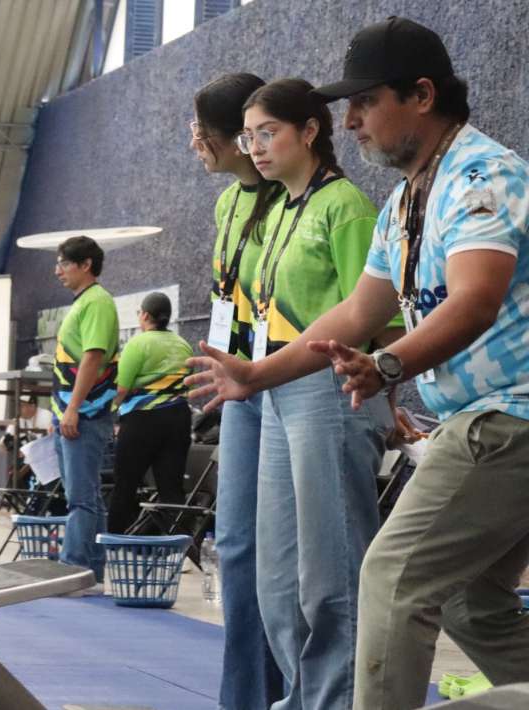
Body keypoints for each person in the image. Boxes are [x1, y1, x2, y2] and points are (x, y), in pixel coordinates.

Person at [304, 17, 528, 709]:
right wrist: (254, 374)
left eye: (365, 102)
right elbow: (353, 316)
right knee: (467, 598)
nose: (350, 123)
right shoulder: (404, 202)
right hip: (479, 419)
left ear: (422, 95)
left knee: (392, 576)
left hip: (509, 417)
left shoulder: (484, 176)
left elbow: (476, 301)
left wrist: (390, 366)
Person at [190, 75, 399, 709]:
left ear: (309, 132)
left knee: (329, 577)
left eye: (267, 133)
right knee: (275, 581)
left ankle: (336, 701)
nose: (254, 148)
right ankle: (299, 698)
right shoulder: (275, 208)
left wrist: (390, 375)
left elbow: (381, 315)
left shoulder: (346, 206)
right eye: (249, 136)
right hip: (276, 388)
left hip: (328, 391)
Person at [190, 71, 287, 710]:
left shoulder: (299, 201)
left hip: (287, 382)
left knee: (285, 560)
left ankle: (293, 693)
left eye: (201, 129)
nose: (194, 141)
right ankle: (244, 697)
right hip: (241, 386)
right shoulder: (227, 205)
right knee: (236, 545)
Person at [50, 235, 118, 590]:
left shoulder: (97, 302)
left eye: (64, 262)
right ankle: (92, 572)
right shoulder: (85, 302)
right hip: (72, 412)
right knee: (86, 496)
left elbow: (93, 356)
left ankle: (73, 571)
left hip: (86, 413)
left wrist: (73, 409)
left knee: (80, 498)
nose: (57, 270)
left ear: (86, 264)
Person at [106, 292, 192, 534]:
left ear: (144, 315)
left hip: (142, 421)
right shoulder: (182, 344)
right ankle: (180, 550)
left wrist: (109, 413)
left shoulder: (138, 343)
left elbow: (121, 388)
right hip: (179, 418)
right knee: (172, 488)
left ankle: (113, 542)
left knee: (125, 484)